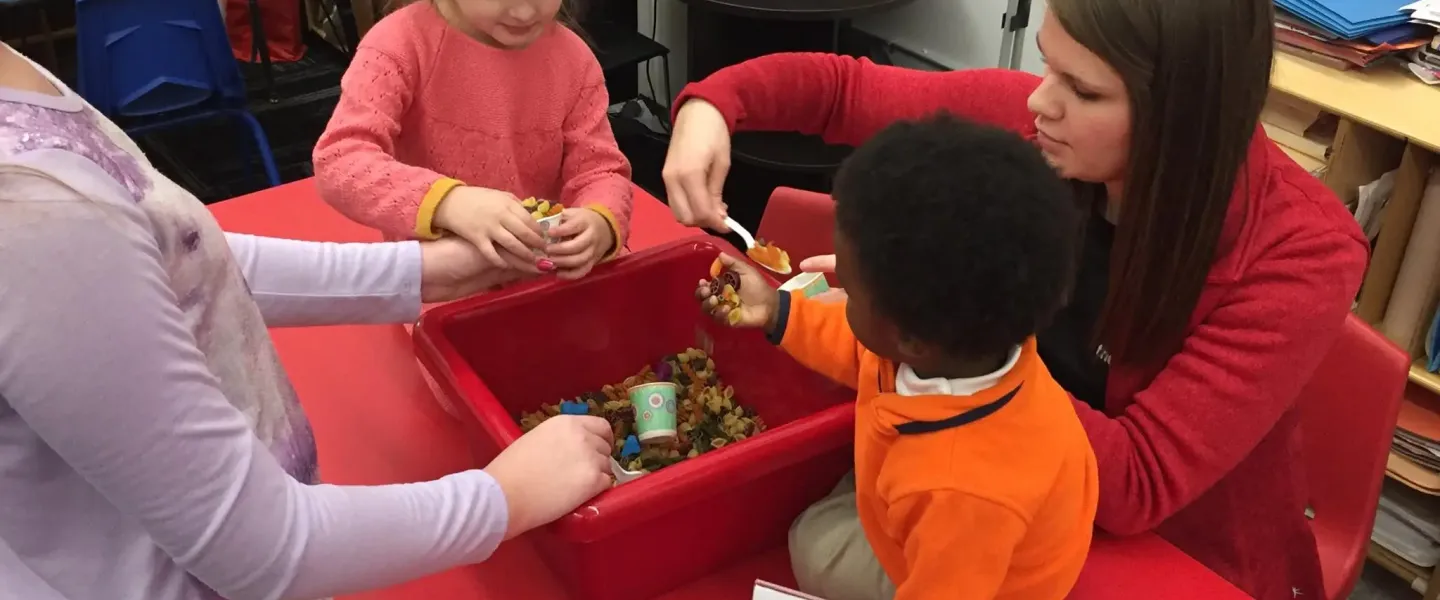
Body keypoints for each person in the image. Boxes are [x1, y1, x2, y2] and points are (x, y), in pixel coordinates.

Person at [662, 2, 1369, 598]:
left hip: (1155, 550)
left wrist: (941, 321)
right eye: (1046, 64)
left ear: (1182, 115)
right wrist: (714, 107)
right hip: (961, 440)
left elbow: (1138, 480)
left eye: (1083, 90)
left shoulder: (1302, 253)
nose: (1038, 101)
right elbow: (844, 92)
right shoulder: (1041, 134)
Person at [0, 43, 617, 599]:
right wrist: (502, 500)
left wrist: (422, 272)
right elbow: (265, 552)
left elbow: (172, 251)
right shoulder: (29, 206)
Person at [699, 113, 1098, 600]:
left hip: (987, 575)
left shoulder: (957, 492)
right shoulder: (967, 344)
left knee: (810, 543)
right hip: (979, 512)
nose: (836, 285)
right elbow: (862, 349)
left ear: (910, 339)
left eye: (847, 281)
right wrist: (778, 310)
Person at [313, 0, 632, 282]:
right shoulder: (399, 44)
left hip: (546, 282)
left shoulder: (574, 60)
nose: (524, 11)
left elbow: (600, 168)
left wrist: (600, 221)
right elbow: (340, 160)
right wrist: (449, 204)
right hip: (439, 293)